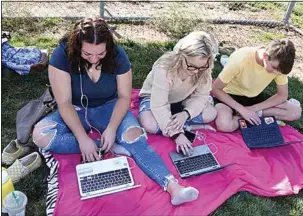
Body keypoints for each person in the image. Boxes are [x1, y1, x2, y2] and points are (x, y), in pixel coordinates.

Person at [32, 18, 199, 205]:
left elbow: (125, 97)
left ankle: (173, 187)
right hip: (76, 109)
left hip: (110, 107)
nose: (94, 59)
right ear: (77, 45)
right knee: (41, 135)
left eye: (100, 54)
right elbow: (63, 102)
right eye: (87, 54)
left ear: (108, 47)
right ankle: (107, 146)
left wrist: (112, 129)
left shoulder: (118, 55)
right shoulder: (62, 54)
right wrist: (82, 138)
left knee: (135, 137)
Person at [138, 31, 218, 156]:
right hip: (154, 98)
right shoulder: (164, 67)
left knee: (211, 113)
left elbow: (201, 96)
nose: (196, 71)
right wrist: (177, 135)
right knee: (150, 125)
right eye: (191, 66)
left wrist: (185, 114)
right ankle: (185, 127)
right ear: (181, 56)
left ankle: (176, 122)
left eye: (201, 67)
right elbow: (159, 104)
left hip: (183, 99)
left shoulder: (205, 69)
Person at [212, 39, 302, 132]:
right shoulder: (240, 60)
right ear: (265, 56)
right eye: (274, 68)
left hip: (254, 97)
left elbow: (282, 95)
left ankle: (248, 115)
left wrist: (252, 108)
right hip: (229, 96)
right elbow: (215, 89)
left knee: (295, 112)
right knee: (224, 125)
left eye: (279, 70)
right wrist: (242, 109)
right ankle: (250, 115)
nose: (276, 72)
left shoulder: (279, 65)